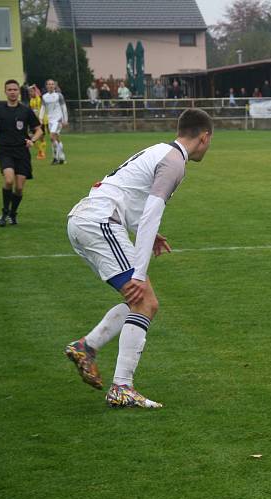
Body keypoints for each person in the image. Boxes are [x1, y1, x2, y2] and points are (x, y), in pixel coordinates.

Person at [63, 108, 214, 408]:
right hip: (99, 222)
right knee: (145, 300)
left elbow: (126, 192)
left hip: (87, 219)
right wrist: (139, 272)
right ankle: (121, 388)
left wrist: (138, 231)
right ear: (204, 137)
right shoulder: (174, 163)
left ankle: (86, 347)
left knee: (138, 302)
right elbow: (150, 216)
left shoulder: (160, 150)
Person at [0, 79, 43, 226]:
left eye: (15, 89)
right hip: (5, 151)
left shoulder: (25, 110)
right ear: (5, 92)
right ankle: (4, 212)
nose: (12, 92)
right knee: (8, 180)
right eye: (9, 90)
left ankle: (13, 214)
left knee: (19, 188)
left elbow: (38, 130)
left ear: (19, 92)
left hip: (22, 152)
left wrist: (32, 140)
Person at [41, 79, 69, 164]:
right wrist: (40, 118)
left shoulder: (59, 96)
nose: (51, 86)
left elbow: (64, 108)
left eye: (52, 84)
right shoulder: (44, 96)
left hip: (58, 120)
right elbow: (43, 108)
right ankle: (62, 157)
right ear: (46, 86)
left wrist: (65, 120)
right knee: (56, 139)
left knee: (52, 137)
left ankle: (55, 158)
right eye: (49, 84)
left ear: (55, 86)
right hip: (50, 120)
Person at [27, 84, 47, 160]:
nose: (30, 93)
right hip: (33, 121)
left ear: (35, 91)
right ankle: (41, 151)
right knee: (32, 137)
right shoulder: (31, 100)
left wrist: (34, 87)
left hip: (41, 121)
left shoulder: (39, 99)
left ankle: (42, 153)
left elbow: (42, 108)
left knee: (41, 138)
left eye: (31, 91)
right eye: (29, 92)